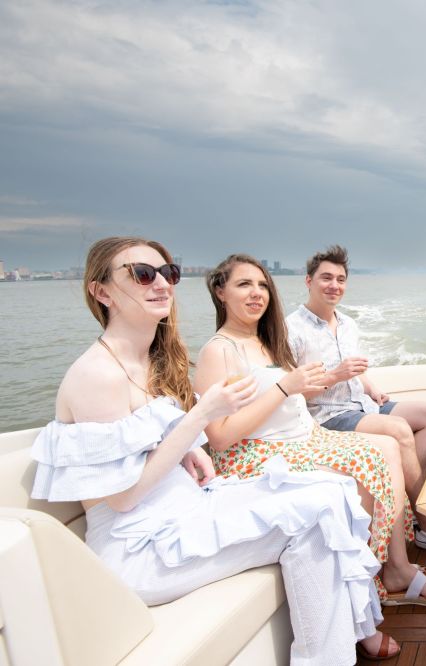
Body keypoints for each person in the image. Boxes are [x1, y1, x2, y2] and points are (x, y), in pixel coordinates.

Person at [30, 237, 396, 664]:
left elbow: (150, 444)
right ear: (102, 291)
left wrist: (189, 451)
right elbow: (123, 496)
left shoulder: (147, 363)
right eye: (142, 274)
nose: (162, 284)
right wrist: (198, 418)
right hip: (143, 548)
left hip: (187, 510)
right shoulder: (97, 375)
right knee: (317, 513)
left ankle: (356, 629)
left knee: (334, 492)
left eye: (168, 273)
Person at [193, 254, 426, 609]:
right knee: (379, 451)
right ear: (220, 291)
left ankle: (397, 564)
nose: (256, 293)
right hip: (259, 453)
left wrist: (361, 385)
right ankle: (397, 561)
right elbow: (221, 438)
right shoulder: (217, 351)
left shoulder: (265, 340)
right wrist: (288, 387)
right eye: (244, 284)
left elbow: (286, 398)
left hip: (300, 435)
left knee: (389, 447)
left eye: (262, 285)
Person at [285, 246, 426, 558]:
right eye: (326, 278)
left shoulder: (348, 323)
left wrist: (372, 387)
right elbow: (291, 395)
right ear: (308, 281)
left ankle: (403, 501)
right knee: (400, 430)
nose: (334, 285)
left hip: (363, 403)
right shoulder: (291, 329)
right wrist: (335, 376)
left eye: (340, 278)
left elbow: (353, 371)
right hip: (327, 415)